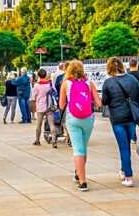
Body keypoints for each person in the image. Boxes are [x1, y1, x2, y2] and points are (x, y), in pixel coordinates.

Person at [59, 61, 102, 191]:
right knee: (84, 147)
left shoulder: (66, 84)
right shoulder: (89, 84)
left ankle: (82, 181)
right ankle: (78, 173)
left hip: (73, 118)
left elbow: (61, 105)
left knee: (78, 150)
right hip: (88, 119)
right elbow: (99, 104)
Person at [102, 57, 139, 188]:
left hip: (117, 119)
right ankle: (123, 169)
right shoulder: (133, 79)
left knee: (124, 147)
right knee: (127, 146)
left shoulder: (108, 83)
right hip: (131, 117)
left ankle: (128, 176)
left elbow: (105, 101)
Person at [32, 69, 58, 148]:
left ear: (38, 76)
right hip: (49, 106)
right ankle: (54, 141)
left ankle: (37, 140)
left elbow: (33, 98)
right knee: (51, 124)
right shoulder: (50, 84)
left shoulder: (37, 85)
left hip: (40, 107)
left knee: (39, 125)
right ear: (45, 75)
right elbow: (55, 92)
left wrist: (34, 108)